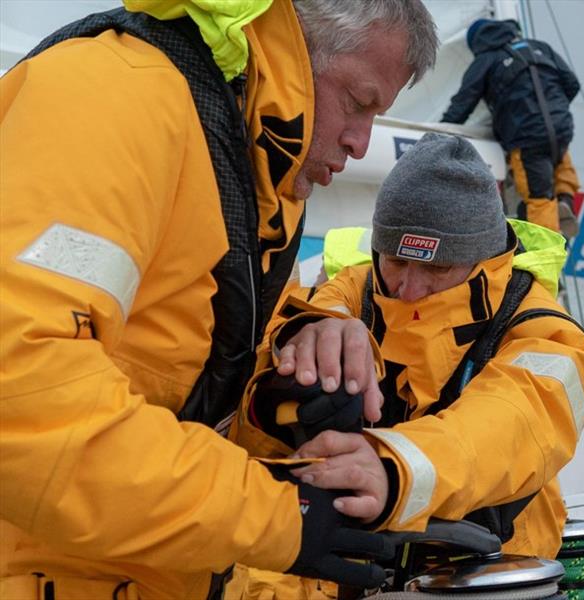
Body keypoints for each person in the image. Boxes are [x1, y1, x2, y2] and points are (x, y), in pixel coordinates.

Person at [0, 0, 438, 598]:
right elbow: (21, 389)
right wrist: (280, 518)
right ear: (292, 48)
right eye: (359, 104)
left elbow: (173, 374)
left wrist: (291, 361)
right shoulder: (111, 96)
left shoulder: (254, 184)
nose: (362, 143)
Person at [234, 132, 584, 597]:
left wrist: (394, 468)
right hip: (339, 573)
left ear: (482, 258)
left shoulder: (545, 331)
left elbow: (511, 425)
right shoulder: (344, 294)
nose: (408, 287)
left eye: (436, 269)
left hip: (487, 579)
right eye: (397, 260)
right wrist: (291, 358)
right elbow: (254, 427)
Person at [440, 18, 581, 238]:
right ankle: (565, 199)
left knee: (538, 198)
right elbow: (572, 83)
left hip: (525, 136)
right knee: (560, 156)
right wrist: (554, 110)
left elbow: (463, 102)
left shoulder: (486, 60)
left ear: (477, 42)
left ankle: (543, 253)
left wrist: (441, 132)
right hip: (561, 126)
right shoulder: (538, 47)